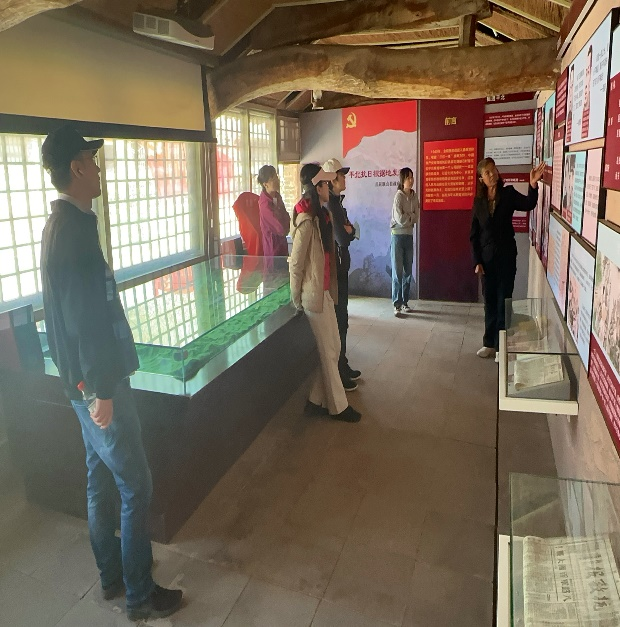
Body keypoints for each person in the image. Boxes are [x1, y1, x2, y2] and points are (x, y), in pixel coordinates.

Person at [39, 127, 183, 622]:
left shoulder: (62, 224)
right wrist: (99, 389)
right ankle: (139, 595)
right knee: (135, 486)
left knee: (100, 479)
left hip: (81, 382)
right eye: (91, 160)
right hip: (98, 385)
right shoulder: (73, 232)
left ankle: (113, 576)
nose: (98, 169)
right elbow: (83, 320)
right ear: (76, 168)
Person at [290, 163, 361, 423]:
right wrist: (296, 299)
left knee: (333, 347)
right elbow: (296, 264)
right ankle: (339, 406)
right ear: (316, 187)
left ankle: (315, 400)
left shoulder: (323, 215)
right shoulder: (307, 221)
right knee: (329, 351)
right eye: (324, 183)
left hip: (326, 292)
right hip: (313, 296)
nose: (328, 187)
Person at [470, 157, 544, 358]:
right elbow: (474, 235)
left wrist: (532, 185)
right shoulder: (478, 202)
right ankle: (489, 343)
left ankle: (501, 347)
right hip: (486, 261)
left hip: (506, 258)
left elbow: (529, 204)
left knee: (504, 301)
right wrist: (477, 261)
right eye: (487, 172)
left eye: (493, 170)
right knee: (490, 301)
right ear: (481, 178)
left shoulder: (508, 193)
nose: (492, 174)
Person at [321, 157, 361, 391]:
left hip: (341, 266)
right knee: (338, 321)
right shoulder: (330, 206)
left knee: (342, 319)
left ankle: (343, 364)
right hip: (335, 271)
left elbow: (350, 230)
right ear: (331, 181)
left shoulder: (337, 203)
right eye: (341, 175)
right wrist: (349, 231)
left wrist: (350, 230)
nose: (345, 178)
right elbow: (343, 237)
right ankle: (338, 370)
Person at [390, 167, 419, 316]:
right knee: (397, 272)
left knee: (408, 271)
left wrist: (408, 217)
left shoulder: (414, 196)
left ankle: (405, 302)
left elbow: (417, 216)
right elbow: (399, 219)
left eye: (412, 177)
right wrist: (410, 217)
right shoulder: (398, 196)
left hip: (408, 236)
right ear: (402, 180)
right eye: (408, 178)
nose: (411, 180)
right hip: (397, 236)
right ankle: (397, 304)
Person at [257, 164, 290, 257]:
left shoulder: (277, 196)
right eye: (273, 179)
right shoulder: (264, 203)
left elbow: (285, 215)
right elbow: (279, 226)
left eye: (276, 177)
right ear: (265, 184)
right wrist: (288, 227)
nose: (277, 181)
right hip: (272, 245)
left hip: (282, 242)